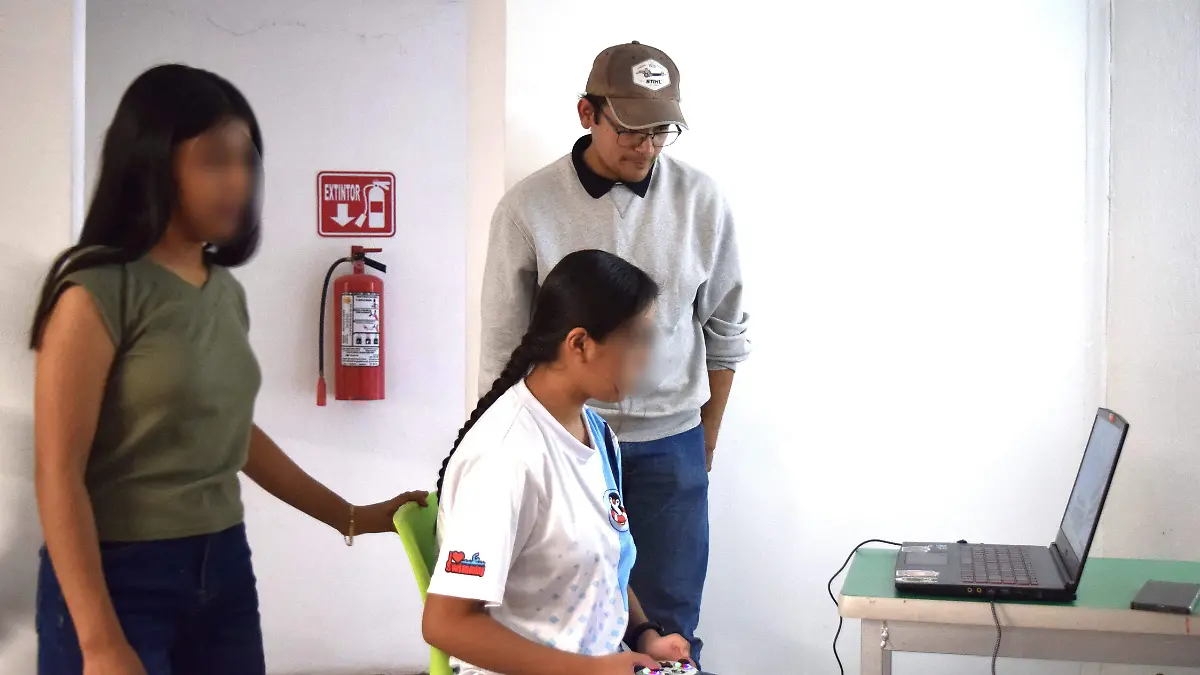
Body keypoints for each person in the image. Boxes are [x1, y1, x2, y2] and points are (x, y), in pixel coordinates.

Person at [29, 64, 427, 675]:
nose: (239, 180)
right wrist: (100, 640)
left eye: (248, 159)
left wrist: (351, 515)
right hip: (117, 577)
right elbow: (58, 473)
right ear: (152, 162)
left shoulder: (222, 291)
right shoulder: (96, 292)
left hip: (222, 568)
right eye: (215, 159)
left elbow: (232, 433)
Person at [478, 41, 750, 664]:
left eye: (661, 130)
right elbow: (502, 345)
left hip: (670, 445)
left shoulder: (702, 202)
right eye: (629, 128)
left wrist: (703, 441)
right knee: (572, 623)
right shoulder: (527, 208)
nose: (645, 146)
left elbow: (727, 329)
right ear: (586, 113)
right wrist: (504, 448)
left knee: (671, 627)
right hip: (562, 445)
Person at [424, 249, 699, 675]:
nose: (646, 355)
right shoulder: (507, 457)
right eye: (637, 338)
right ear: (580, 344)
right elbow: (445, 624)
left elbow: (603, 561)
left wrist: (646, 635)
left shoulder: (596, 433)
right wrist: (593, 670)